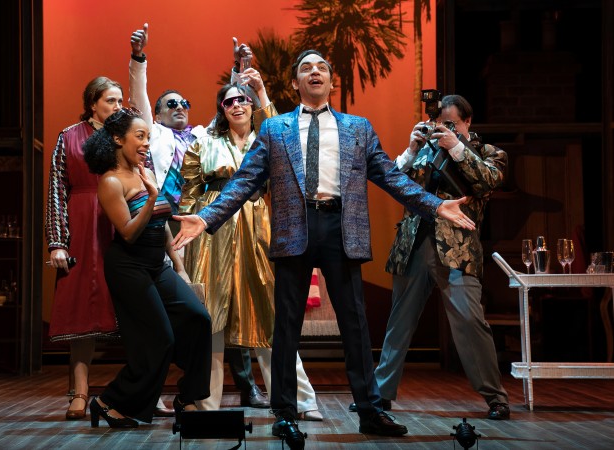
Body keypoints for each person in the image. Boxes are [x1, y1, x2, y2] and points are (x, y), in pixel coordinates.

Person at [172, 49, 475, 449]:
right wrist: (206, 217)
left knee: (355, 324)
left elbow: (390, 176)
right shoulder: (275, 128)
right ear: (295, 83)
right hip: (294, 226)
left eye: (321, 68)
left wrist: (435, 206)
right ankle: (284, 413)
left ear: (331, 82)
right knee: (286, 326)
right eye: (305, 68)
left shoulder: (357, 128)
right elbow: (244, 181)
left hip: (340, 227)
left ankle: (370, 410)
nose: (314, 72)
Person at [128, 23, 270, 411]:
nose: (179, 108)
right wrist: (138, 60)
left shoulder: (201, 136)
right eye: (171, 104)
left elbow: (235, 110)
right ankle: (158, 389)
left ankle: (239, 386)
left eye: (184, 103)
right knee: (168, 310)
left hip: (204, 224)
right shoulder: (154, 135)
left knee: (218, 303)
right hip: (161, 226)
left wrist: (240, 69)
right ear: (157, 113)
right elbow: (140, 100)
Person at [180, 76, 321, 420]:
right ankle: (206, 404)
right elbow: (188, 193)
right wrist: (189, 239)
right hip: (213, 231)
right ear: (222, 110)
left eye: (242, 99)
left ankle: (299, 400)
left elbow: (287, 138)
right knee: (210, 318)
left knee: (271, 316)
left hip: (258, 227)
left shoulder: (268, 139)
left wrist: (260, 92)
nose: (237, 105)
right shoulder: (204, 143)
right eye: (229, 101)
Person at [373, 94, 510, 420]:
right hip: (414, 244)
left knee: (470, 321)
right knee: (399, 322)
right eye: (439, 124)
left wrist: (456, 147)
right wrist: (411, 149)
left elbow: (487, 181)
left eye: (451, 123)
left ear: (467, 122)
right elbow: (392, 180)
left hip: (457, 251)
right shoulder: (423, 151)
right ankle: (379, 395)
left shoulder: (489, 153)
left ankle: (495, 397)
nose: (443, 129)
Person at [82, 108, 211, 428]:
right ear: (117, 138)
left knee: (198, 318)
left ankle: (188, 397)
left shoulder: (146, 171)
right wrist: (152, 198)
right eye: (139, 136)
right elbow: (128, 232)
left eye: (148, 137)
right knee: (159, 340)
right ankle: (108, 401)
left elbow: (161, 223)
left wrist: (178, 266)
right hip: (129, 267)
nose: (145, 143)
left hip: (157, 264)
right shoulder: (110, 182)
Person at [45, 76, 123, 421]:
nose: (117, 107)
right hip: (81, 223)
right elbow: (57, 189)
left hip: (119, 221)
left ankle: (142, 391)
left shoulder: (125, 134)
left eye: (120, 101)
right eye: (110, 100)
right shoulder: (69, 136)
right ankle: (79, 391)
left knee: (131, 308)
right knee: (80, 311)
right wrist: (57, 243)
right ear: (92, 103)